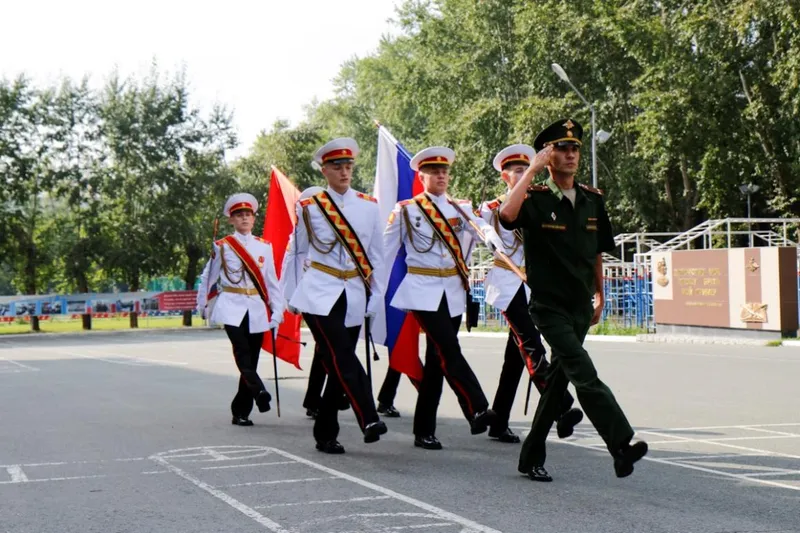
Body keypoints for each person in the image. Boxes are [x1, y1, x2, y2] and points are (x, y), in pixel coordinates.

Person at [499, 119, 647, 481]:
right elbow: (505, 216)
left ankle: (530, 455)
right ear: (549, 156)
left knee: (556, 384)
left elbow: (596, 252)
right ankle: (621, 444)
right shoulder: (534, 198)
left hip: (580, 305)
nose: (570, 154)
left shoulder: (592, 200)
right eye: (561, 149)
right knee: (583, 371)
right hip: (549, 308)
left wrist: (601, 294)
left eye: (575, 148)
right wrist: (531, 168)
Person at [382, 146, 506, 450]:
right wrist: (371, 292)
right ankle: (477, 406)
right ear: (422, 176)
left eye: (444, 171)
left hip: (452, 290)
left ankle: (424, 429)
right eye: (434, 171)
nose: (441, 176)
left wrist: (492, 240)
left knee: (437, 360)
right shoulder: (407, 210)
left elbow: (481, 227)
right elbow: (383, 252)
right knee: (450, 347)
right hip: (421, 290)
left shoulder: (459, 208)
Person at [282, 137, 388, 454]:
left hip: (354, 292)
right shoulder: (310, 207)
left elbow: (376, 257)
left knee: (335, 364)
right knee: (342, 354)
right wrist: (290, 295)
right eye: (337, 167)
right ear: (324, 171)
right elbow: (295, 251)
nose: (344, 172)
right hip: (318, 291)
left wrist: (375, 298)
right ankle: (368, 417)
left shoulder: (369, 207)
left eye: (348, 166)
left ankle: (325, 432)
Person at [479, 143, 584, 444]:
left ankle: (498, 420)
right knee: (531, 345)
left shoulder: (541, 204)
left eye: (526, 168)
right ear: (505, 177)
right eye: (516, 170)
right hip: (508, 284)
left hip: (535, 285)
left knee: (515, 358)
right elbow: (483, 227)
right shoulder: (491, 207)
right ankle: (561, 406)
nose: (522, 173)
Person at [196, 193, 285, 426]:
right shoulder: (223, 246)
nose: (244, 218)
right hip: (231, 306)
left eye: (248, 215)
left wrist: (278, 310)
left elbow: (272, 282)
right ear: (232, 220)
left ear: (254, 219)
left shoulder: (264, 247)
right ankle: (260, 392)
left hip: (256, 307)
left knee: (252, 360)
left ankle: (240, 410)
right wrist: (202, 303)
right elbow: (209, 277)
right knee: (242, 352)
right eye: (239, 215)